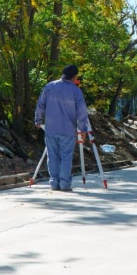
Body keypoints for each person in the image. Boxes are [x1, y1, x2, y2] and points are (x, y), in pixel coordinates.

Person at [35, 64, 89, 192]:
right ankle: (65, 184)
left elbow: (40, 105)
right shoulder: (76, 91)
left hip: (51, 129)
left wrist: (38, 120)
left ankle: (54, 183)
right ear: (74, 77)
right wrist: (83, 129)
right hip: (68, 130)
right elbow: (82, 112)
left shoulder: (50, 86)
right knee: (66, 157)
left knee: (52, 156)